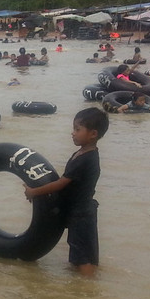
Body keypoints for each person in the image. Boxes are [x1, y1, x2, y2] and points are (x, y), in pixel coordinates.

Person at [24, 107, 108, 277]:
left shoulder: (85, 159)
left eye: (77, 129)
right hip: (81, 210)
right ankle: (83, 282)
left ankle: (87, 286)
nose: (72, 133)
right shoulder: (83, 153)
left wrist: (34, 192)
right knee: (81, 249)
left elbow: (61, 183)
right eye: (73, 129)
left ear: (93, 134)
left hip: (81, 213)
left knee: (83, 255)